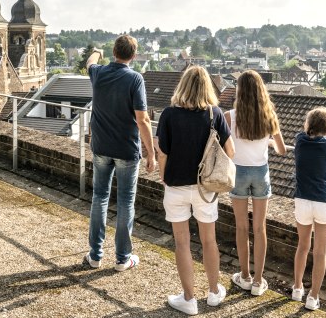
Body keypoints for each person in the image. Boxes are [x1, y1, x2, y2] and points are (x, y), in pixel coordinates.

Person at [156, 66, 235, 315]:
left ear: (183, 85)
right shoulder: (215, 114)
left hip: (176, 185)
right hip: (206, 187)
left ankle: (188, 299)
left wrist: (164, 176)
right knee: (209, 240)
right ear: (207, 87)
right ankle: (213, 292)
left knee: (182, 243)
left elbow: (162, 152)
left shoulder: (169, 114)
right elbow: (230, 152)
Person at [85, 35, 156, 271]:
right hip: (126, 149)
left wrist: (96, 50)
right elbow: (143, 120)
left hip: (101, 147)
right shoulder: (135, 79)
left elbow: (89, 62)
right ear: (133, 56)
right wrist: (151, 153)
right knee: (126, 201)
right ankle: (123, 258)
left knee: (99, 197)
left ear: (114, 51)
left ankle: (95, 255)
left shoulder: (98, 73)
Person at [224, 70, 286, 297]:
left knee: (241, 227)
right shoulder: (270, 116)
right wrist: (267, 141)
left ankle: (245, 276)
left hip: (237, 172)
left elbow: (224, 148)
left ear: (239, 90)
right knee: (260, 229)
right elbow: (281, 149)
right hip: (261, 173)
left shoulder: (229, 116)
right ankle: (259, 281)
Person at [291, 106, 326, 311]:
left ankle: (297, 288)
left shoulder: (300, 140)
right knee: (320, 252)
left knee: (302, 246)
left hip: (302, 200)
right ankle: (313, 297)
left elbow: (303, 135)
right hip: (323, 200)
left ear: (309, 124)